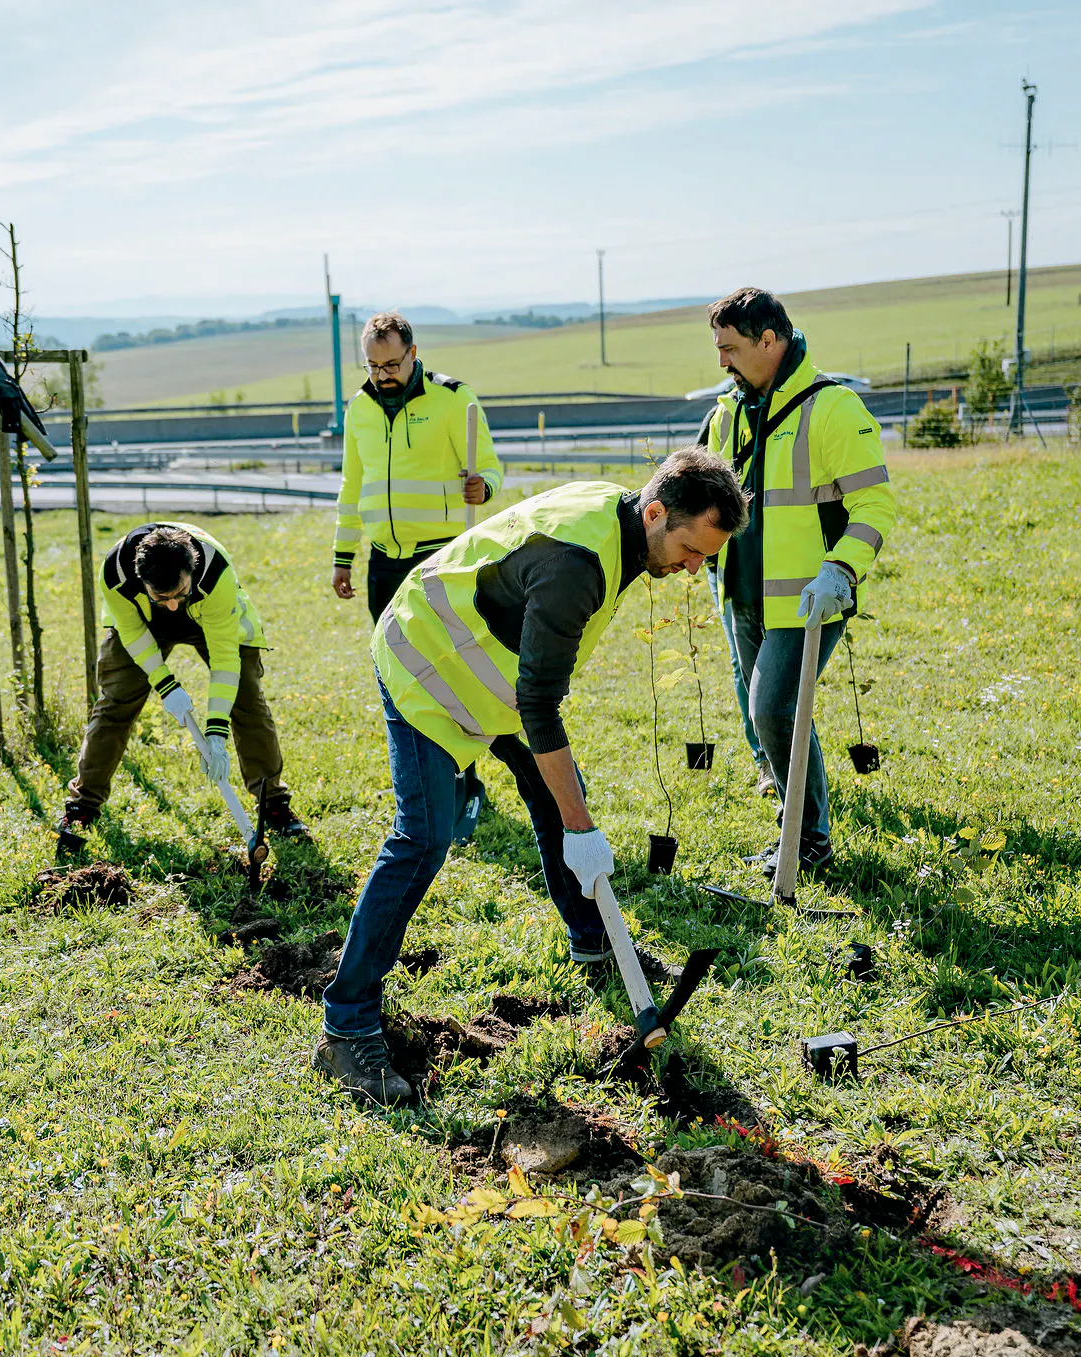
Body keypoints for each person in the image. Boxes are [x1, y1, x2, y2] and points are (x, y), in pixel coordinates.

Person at [314, 450, 749, 1105]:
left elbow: (536, 692)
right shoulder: (580, 564)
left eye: (705, 558)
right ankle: (346, 1028)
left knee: (558, 796)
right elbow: (541, 704)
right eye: (691, 549)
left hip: (492, 675)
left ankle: (593, 943)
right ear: (656, 511)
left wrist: (573, 814)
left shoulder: (623, 520)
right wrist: (582, 827)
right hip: (426, 663)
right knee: (424, 838)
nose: (694, 569)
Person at [696, 288, 898, 877]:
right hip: (740, 594)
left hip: (807, 601)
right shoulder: (728, 413)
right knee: (765, 712)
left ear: (769, 340)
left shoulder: (833, 409)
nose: (722, 362)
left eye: (730, 349)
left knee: (774, 710)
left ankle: (808, 841)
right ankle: (796, 829)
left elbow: (875, 507)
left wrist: (841, 569)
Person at [330, 310, 506, 839]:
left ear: (413, 353)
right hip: (383, 561)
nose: (383, 373)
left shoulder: (455, 399)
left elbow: (492, 468)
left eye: (391, 363)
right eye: (373, 364)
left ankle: (464, 781)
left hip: (439, 559)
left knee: (450, 674)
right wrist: (343, 556)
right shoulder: (359, 409)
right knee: (396, 674)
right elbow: (350, 487)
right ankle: (420, 782)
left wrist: (485, 488)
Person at [56, 522, 309, 843]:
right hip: (143, 622)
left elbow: (225, 656)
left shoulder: (216, 572)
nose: (173, 604)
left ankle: (273, 805)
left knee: (247, 700)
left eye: (180, 593)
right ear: (141, 579)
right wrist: (166, 685)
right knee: (116, 702)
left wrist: (216, 732)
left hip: (210, 619)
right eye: (163, 596)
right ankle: (82, 808)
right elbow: (132, 633)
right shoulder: (115, 573)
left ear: (192, 570)